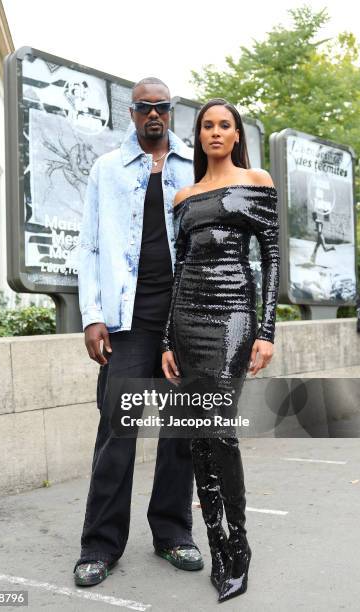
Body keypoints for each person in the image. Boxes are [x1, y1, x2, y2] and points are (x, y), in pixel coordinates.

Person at [75, 77, 203, 587]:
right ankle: (100, 545)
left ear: (172, 112)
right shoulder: (106, 170)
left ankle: (173, 533)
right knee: (117, 435)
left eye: (162, 107)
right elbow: (89, 247)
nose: (154, 115)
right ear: (131, 113)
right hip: (129, 324)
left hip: (184, 324)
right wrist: (92, 314)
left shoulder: (193, 168)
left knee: (181, 433)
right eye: (144, 107)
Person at [162, 98, 280, 602]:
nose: (215, 132)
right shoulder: (184, 197)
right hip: (188, 318)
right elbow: (179, 268)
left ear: (236, 135)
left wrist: (267, 330)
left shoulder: (257, 183)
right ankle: (216, 544)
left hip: (233, 315)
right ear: (200, 136)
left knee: (220, 431)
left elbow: (272, 258)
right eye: (207, 125)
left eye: (224, 125)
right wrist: (168, 338)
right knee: (196, 436)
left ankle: (241, 544)